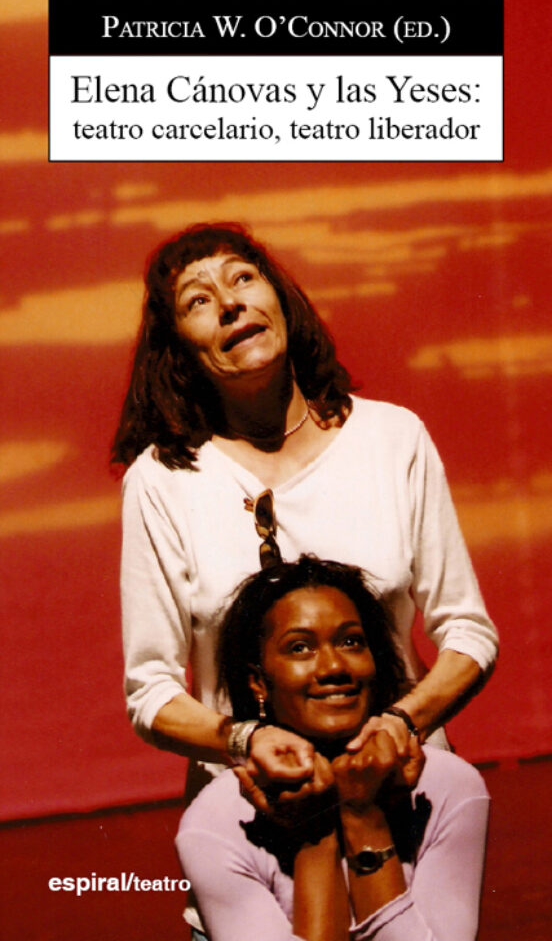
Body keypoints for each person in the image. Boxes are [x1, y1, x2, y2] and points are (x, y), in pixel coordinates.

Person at [112, 221, 497, 931]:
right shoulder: (162, 480)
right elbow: (151, 689)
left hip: (404, 797)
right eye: (198, 300)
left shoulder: (392, 439)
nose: (230, 303)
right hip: (258, 821)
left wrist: (400, 723)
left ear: (280, 299)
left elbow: (468, 631)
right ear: (179, 349)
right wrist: (245, 740)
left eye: (243, 278)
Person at [177, 555, 490, 941]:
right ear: (258, 682)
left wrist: (364, 817)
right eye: (300, 648)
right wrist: (315, 836)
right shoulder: (217, 821)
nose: (333, 667)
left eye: (351, 641)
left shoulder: (447, 787)